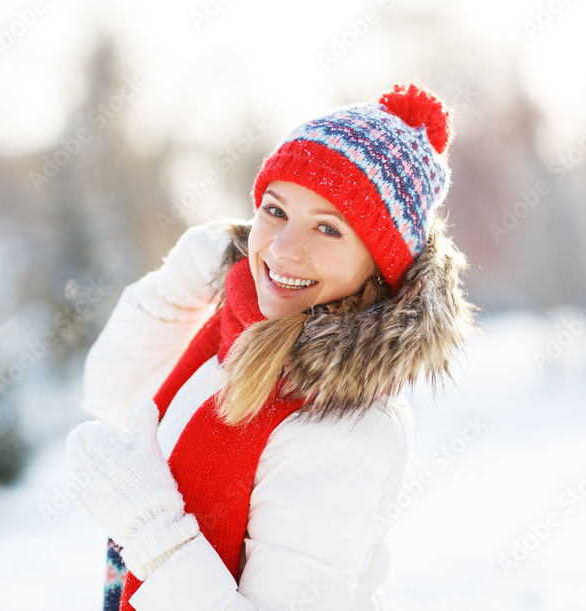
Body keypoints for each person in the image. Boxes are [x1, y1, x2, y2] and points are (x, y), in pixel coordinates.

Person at [65, 82, 477, 611]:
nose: (283, 250)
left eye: (327, 229)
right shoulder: (241, 327)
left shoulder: (340, 427)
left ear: (379, 265)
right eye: (276, 212)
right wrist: (183, 276)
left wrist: (157, 537)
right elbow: (114, 393)